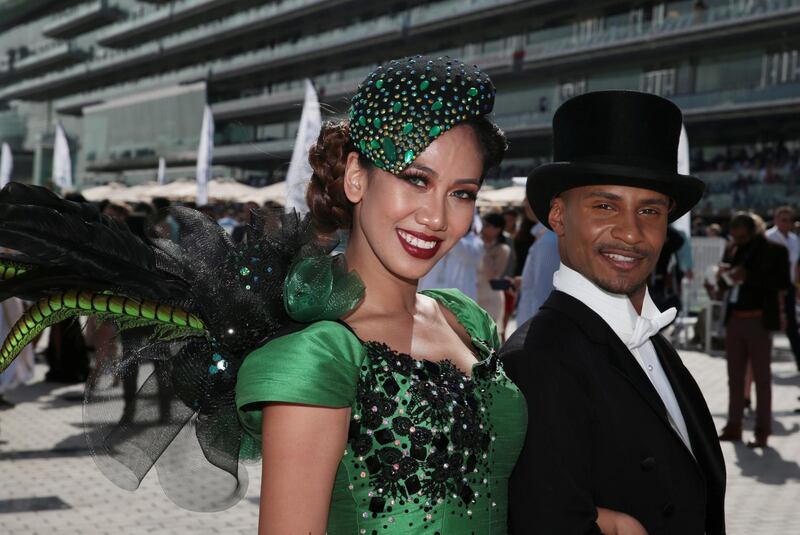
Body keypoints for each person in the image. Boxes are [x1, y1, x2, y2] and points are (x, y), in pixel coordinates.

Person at [0, 57, 525, 532]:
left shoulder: (467, 322)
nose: (437, 216)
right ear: (357, 179)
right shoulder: (320, 354)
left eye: (462, 193)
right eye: (415, 179)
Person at [502, 90, 726, 534]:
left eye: (650, 210)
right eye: (605, 206)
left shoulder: (652, 343)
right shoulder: (538, 362)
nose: (630, 231)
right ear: (559, 217)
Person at [713, 212, 790, 448]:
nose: (737, 240)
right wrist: (719, 282)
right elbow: (724, 288)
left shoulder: (775, 251)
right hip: (734, 320)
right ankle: (734, 426)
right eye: (735, 236)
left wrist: (748, 276)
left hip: (759, 320)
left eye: (742, 236)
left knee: (762, 379)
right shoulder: (734, 249)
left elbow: (781, 284)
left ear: (752, 232)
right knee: (734, 378)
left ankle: (762, 430)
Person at [765, 205, 800, 371]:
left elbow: (796, 265)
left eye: (790, 220)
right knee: (768, 327)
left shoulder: (794, 239)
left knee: (792, 326)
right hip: (771, 290)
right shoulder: (768, 237)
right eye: (784, 220)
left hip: (789, 288)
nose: (788, 223)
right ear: (776, 220)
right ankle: (764, 363)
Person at [477, 212, 512, 338]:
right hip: (475, 295)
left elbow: (493, 274)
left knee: (488, 337)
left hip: (491, 297)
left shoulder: (503, 249)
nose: (482, 228)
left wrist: (483, 248)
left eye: (486, 225)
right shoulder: (476, 246)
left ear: (497, 229)